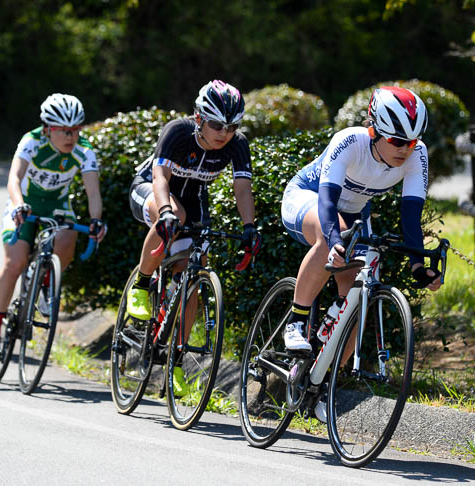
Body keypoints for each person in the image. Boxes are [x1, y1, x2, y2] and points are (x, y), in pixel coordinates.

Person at [280, 86, 442, 353]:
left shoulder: (417, 155)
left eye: (411, 142)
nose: (404, 150)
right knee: (334, 234)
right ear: (373, 131)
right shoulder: (350, 141)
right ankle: (296, 322)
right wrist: (333, 242)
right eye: (396, 141)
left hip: (355, 212)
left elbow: (411, 217)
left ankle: (320, 385)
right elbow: (327, 202)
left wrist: (417, 266)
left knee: (357, 297)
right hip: (309, 196)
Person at [0, 93, 106, 359]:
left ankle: (45, 283)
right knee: (14, 264)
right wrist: (18, 204)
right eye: (64, 131)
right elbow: (14, 178)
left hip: (56, 204)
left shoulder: (85, 151)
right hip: (23, 202)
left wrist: (96, 221)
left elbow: (92, 193)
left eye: (76, 130)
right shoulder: (32, 141)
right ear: (48, 128)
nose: (71, 137)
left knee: (68, 236)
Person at [126, 79, 262, 320]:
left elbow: (242, 189)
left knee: (193, 274)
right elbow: (160, 177)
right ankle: (141, 285)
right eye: (216, 125)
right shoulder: (178, 131)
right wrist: (166, 211)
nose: (224, 133)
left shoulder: (237, 144)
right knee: (176, 215)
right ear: (199, 118)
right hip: (151, 188)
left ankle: (177, 353)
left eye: (232, 127)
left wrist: (249, 227)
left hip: (193, 199)